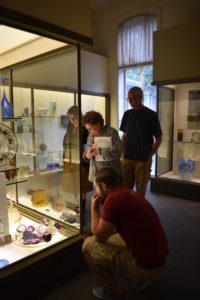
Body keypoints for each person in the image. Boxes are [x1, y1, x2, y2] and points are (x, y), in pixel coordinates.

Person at [82, 168, 169, 300]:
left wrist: (94, 208)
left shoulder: (112, 201)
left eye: (96, 188)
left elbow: (98, 235)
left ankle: (116, 292)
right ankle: (139, 280)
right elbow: (115, 229)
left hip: (146, 267)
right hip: (159, 258)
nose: (96, 191)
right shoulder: (127, 192)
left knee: (87, 245)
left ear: (104, 186)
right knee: (106, 237)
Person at [120, 86, 162, 196]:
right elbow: (124, 136)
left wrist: (150, 155)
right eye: (128, 99)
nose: (130, 101)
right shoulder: (127, 114)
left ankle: (138, 212)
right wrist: (122, 153)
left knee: (140, 191)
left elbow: (159, 138)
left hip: (143, 160)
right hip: (127, 158)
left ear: (141, 97)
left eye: (132, 98)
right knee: (125, 189)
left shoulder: (151, 115)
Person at [62, 106, 93, 213]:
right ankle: (78, 205)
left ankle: (82, 210)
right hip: (70, 160)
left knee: (82, 187)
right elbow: (65, 142)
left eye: (74, 118)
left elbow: (89, 145)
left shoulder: (86, 128)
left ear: (80, 116)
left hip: (81, 161)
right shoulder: (70, 127)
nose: (72, 120)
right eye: (70, 118)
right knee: (73, 185)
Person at [82, 111, 122, 183]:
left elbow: (118, 151)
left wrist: (100, 151)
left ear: (98, 124)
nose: (88, 131)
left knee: (112, 194)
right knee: (100, 194)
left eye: (90, 128)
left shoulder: (111, 132)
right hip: (96, 174)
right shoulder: (90, 136)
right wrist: (87, 156)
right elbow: (85, 154)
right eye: (87, 129)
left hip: (111, 174)